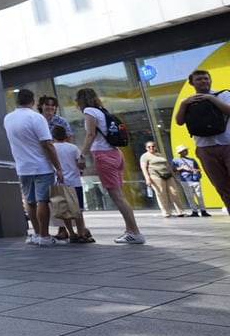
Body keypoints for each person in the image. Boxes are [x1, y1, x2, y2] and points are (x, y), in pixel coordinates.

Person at [76, 87, 145, 244]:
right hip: (116, 154)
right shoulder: (102, 111)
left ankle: (135, 232)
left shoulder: (89, 111)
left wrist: (82, 156)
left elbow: (91, 134)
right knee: (121, 195)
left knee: (118, 197)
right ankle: (129, 230)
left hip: (103, 156)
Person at [4, 89, 66, 247]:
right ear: (32, 102)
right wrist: (58, 167)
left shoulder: (8, 119)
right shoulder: (36, 118)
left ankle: (37, 234)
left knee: (29, 202)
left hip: (23, 167)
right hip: (41, 166)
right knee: (42, 201)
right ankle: (45, 236)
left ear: (18, 101)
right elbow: (47, 144)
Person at [175, 69, 230, 211]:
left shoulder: (223, 94)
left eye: (206, 78)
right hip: (204, 148)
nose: (203, 81)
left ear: (210, 80)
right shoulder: (188, 101)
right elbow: (179, 121)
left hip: (227, 144)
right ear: (191, 83)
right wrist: (184, 103)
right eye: (199, 79)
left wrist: (211, 98)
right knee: (221, 186)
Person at [51, 125, 94, 243]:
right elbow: (80, 164)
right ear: (65, 136)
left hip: (59, 182)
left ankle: (71, 233)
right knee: (78, 210)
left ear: (53, 136)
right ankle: (81, 232)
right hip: (75, 182)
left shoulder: (52, 148)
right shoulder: (73, 148)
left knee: (63, 211)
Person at [140, 140, 186, 218]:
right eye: (149, 147)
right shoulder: (145, 156)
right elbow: (144, 168)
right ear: (146, 148)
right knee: (161, 193)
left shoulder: (159, 155)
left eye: (153, 146)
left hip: (167, 175)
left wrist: (174, 176)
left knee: (174, 192)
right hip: (155, 175)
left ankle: (180, 211)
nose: (151, 148)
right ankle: (166, 212)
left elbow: (167, 166)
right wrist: (147, 178)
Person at [172, 144, 209, 217]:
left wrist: (195, 170)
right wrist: (183, 168)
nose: (186, 152)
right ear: (180, 152)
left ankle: (203, 210)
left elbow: (199, 168)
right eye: (184, 151)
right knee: (190, 196)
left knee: (199, 195)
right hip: (185, 180)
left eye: (186, 150)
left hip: (195, 179)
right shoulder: (175, 160)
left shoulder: (192, 160)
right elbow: (174, 169)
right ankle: (194, 211)